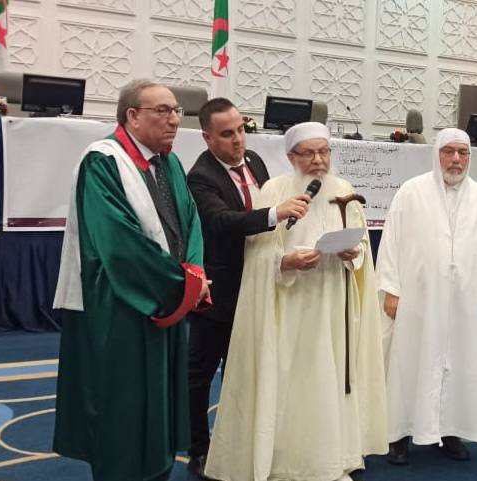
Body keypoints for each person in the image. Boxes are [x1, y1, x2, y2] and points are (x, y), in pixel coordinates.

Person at [204, 122, 388, 481]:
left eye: (324, 152)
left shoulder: (344, 190)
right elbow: (257, 253)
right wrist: (285, 262)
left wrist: (353, 253)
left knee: (329, 379)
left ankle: (329, 459)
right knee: (289, 381)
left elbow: (363, 246)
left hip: (331, 302)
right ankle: (283, 461)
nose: (318, 160)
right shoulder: (274, 190)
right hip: (289, 304)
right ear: (291, 157)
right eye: (309, 153)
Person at [52, 79, 210, 481]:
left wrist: (194, 273)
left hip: (166, 300)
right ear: (133, 116)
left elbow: (190, 222)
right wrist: (179, 285)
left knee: (158, 402)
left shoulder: (169, 162)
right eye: (163, 111)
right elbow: (118, 243)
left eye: (176, 111)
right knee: (121, 406)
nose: (174, 120)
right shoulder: (102, 162)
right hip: (119, 304)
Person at [184, 98, 310, 479]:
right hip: (219, 291)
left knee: (247, 370)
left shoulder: (254, 160)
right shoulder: (200, 177)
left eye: (241, 129)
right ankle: (199, 449)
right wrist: (276, 214)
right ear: (207, 138)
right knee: (200, 375)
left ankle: (241, 441)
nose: (238, 139)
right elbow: (221, 222)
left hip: (259, 285)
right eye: (227, 134)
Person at [376, 127, 477, 464]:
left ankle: (451, 432)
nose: (456, 159)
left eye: (463, 153)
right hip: (418, 301)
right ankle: (398, 435)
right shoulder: (411, 192)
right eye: (449, 152)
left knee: (460, 365)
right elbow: (390, 244)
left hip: (466, 302)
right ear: (436, 155)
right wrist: (391, 290)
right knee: (408, 363)